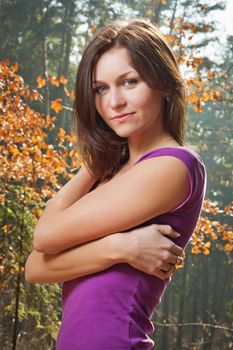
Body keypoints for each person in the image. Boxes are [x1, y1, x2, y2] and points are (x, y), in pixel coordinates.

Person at [25, 18, 206, 350]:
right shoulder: (111, 173)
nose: (114, 102)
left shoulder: (173, 165)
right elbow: (35, 266)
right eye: (101, 88)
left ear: (163, 82)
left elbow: (46, 236)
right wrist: (121, 248)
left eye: (130, 81)